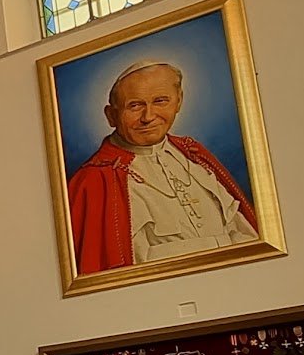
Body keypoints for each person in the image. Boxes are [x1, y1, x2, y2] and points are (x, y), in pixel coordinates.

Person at [66, 59, 256, 273]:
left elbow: (244, 233)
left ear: (178, 101)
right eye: (135, 106)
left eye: (160, 101)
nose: (148, 117)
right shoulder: (94, 180)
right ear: (111, 116)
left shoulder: (193, 155)